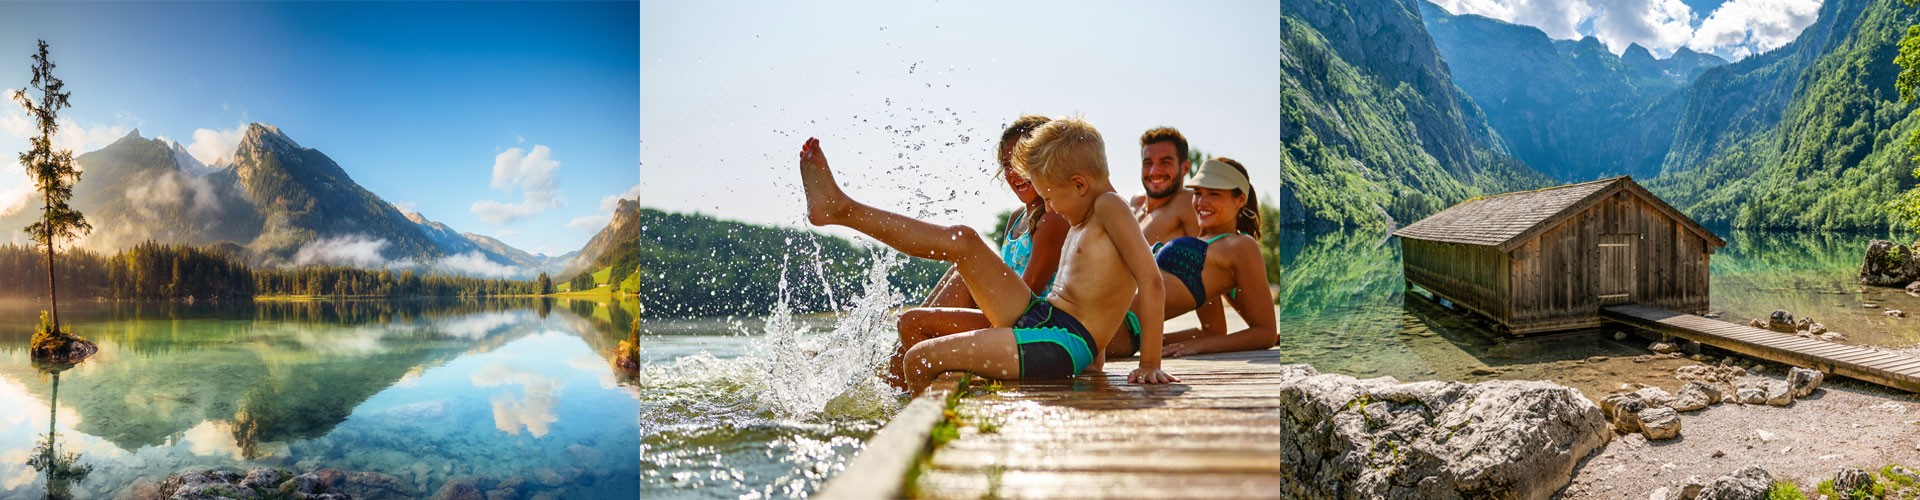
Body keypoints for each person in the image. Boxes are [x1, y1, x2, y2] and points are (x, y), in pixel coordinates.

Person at [797, 117, 1176, 394]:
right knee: (964, 240)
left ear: (1078, 183)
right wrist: (1098, 360)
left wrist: (1150, 365)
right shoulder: (1086, 212)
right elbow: (1098, 288)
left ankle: (914, 449)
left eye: (1049, 196)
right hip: (1044, 317)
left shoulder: (1110, 206)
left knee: (920, 359)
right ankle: (841, 209)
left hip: (1062, 340)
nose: (1049, 206)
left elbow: (1150, 280)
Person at [893, 115, 1069, 387]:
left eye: (1024, 161)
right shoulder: (1016, 219)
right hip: (1010, 319)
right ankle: (895, 381)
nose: (1014, 173)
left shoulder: (1052, 218)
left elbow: (1027, 300)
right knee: (960, 272)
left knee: (913, 322)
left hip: (1033, 331)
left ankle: (904, 391)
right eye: (1007, 165)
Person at [1104, 158, 1277, 359]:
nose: (1202, 202)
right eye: (1198, 193)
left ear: (1240, 200)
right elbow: (1213, 330)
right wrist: (1165, 342)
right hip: (1106, 315)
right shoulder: (1206, 246)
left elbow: (1265, 333)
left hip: (1117, 327)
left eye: (1214, 194)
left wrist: (1196, 347)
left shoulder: (1241, 246)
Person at [1130, 127, 1201, 245]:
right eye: (1148, 163)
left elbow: (1214, 257)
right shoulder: (1136, 202)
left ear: (1185, 168)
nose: (1154, 171)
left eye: (1165, 162)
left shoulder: (1189, 203)